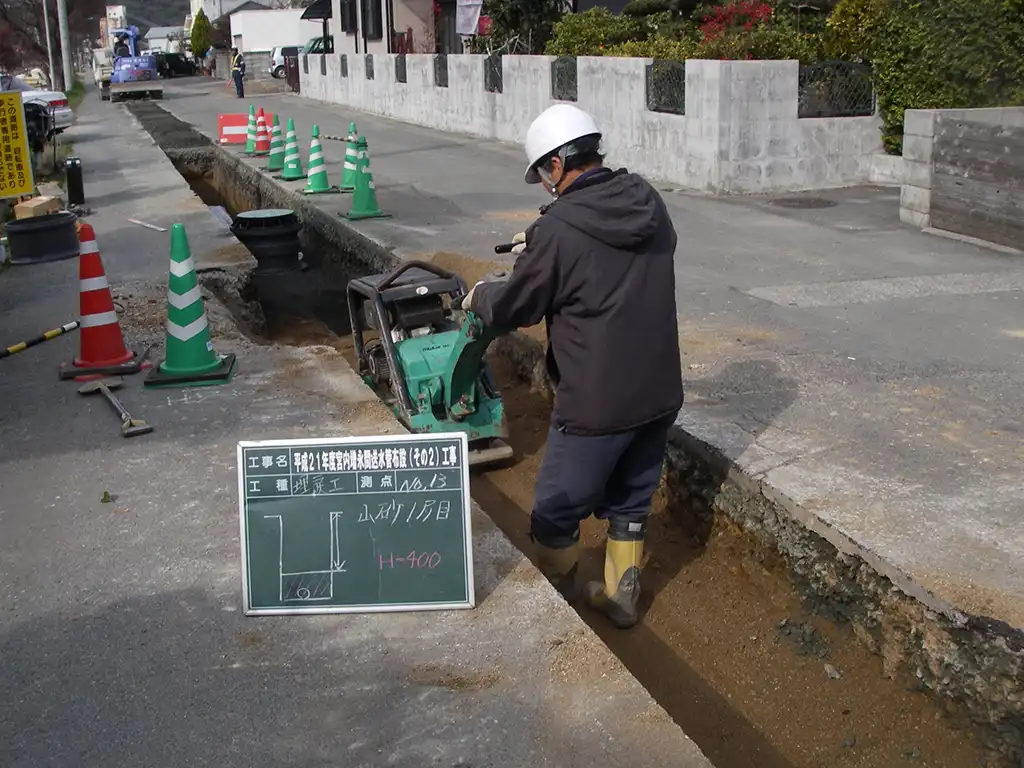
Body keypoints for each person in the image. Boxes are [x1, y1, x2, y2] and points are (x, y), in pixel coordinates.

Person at [462, 103, 683, 629]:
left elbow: (519, 303)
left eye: (542, 173)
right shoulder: (645, 200)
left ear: (559, 164)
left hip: (597, 400)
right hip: (657, 391)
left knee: (556, 509)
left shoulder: (560, 228)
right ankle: (620, 596)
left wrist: (481, 296)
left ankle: (557, 616)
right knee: (632, 497)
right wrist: (541, 243)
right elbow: (622, 254)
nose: (544, 185)